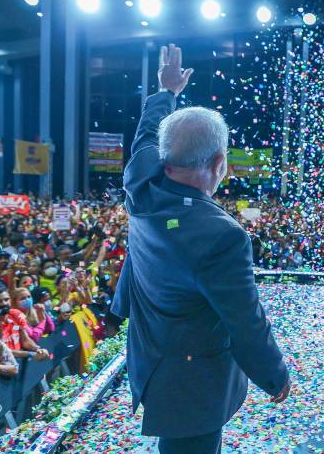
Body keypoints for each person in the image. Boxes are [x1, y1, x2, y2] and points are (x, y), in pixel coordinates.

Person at [113, 44, 289, 453]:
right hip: (189, 383)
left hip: (150, 352)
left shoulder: (141, 182)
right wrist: (274, 375)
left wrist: (166, 93)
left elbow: (146, 132)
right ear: (218, 163)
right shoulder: (222, 235)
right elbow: (244, 321)